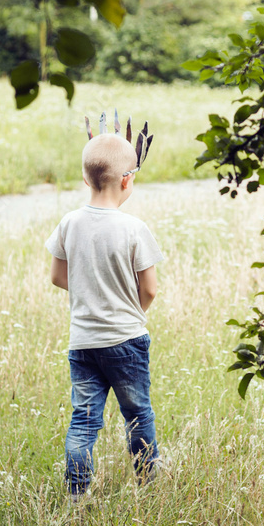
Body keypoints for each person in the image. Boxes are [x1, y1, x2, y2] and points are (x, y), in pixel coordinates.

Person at [45, 124, 163, 502]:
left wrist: (89, 294)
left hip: (82, 343)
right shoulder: (134, 228)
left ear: (85, 177)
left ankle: (77, 495)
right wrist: (129, 311)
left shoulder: (69, 223)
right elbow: (150, 289)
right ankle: (148, 486)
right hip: (127, 340)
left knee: (83, 421)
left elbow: (57, 277)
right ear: (127, 181)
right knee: (138, 415)